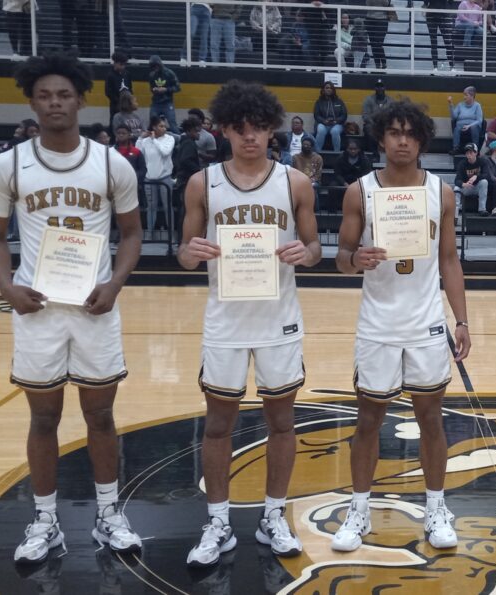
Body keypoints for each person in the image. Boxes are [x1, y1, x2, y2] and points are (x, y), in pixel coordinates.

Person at [0, 53, 144, 564]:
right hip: (38, 306)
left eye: (64, 94)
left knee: (100, 415)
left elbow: (133, 232)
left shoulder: (110, 162)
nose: (55, 102)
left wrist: (116, 283)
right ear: (31, 100)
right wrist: (7, 287)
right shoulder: (6, 165)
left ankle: (108, 514)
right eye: (45, 95)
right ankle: (46, 520)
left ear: (81, 99)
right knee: (43, 418)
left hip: (95, 303)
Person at [177, 80, 320, 567]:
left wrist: (306, 252)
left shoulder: (294, 182)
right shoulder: (203, 183)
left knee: (281, 422)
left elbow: (315, 248)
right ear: (225, 130)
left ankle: (273, 515)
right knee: (218, 425)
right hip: (225, 320)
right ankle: (218, 520)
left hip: (279, 318)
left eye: (258, 127)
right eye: (240, 129)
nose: (250, 137)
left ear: (271, 128)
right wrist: (190, 253)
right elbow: (182, 252)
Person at [332, 99, 471, 553]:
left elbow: (449, 259)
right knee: (368, 419)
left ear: (423, 140)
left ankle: (436, 507)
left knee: (431, 418)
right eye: (394, 132)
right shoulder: (360, 191)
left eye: (411, 133)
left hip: (427, 322)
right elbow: (340, 260)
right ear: (381, 138)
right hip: (377, 323)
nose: (403, 140)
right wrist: (358, 258)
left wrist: (462, 320)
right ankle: (358, 509)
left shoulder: (441, 192)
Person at [137, 115, 175, 236]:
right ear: (154, 127)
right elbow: (138, 153)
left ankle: (171, 234)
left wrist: (154, 140)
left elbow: (165, 152)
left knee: (167, 206)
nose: (164, 128)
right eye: (161, 126)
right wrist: (140, 138)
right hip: (149, 178)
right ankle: (149, 232)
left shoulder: (169, 139)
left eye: (164, 126)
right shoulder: (145, 141)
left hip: (165, 177)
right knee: (150, 207)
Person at [332, 139, 373, 211]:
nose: (353, 151)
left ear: (359, 149)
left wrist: (357, 184)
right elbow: (337, 174)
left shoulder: (365, 160)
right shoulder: (340, 158)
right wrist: (344, 183)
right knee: (333, 186)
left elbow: (366, 174)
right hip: (344, 181)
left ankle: (364, 210)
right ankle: (333, 210)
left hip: (358, 181)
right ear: (347, 149)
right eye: (350, 149)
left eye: (355, 149)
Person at [453, 142, 490, 216]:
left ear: (476, 153)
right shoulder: (462, 164)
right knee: (456, 188)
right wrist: (463, 184)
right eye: (467, 153)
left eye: (471, 152)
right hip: (467, 187)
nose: (469, 155)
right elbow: (456, 180)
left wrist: (476, 177)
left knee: (484, 182)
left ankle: (482, 209)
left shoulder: (482, 161)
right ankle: (455, 215)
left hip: (477, 187)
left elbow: (487, 175)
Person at [146, 55, 181, 132]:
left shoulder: (169, 73)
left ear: (160, 65)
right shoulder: (152, 75)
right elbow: (151, 88)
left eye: (156, 66)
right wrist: (154, 90)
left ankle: (179, 140)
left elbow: (178, 87)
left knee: (172, 124)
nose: (155, 68)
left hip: (167, 102)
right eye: (153, 67)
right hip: (156, 103)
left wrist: (166, 89)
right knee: (152, 124)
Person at [313, 81, 347, 153]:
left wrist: (336, 121)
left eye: (331, 88)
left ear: (333, 90)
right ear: (323, 90)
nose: (329, 89)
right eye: (327, 88)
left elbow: (344, 115)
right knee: (321, 130)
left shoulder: (339, 101)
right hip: (323, 123)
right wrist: (323, 121)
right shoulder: (319, 102)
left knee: (335, 131)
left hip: (337, 124)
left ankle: (336, 153)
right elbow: (316, 115)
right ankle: (317, 153)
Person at [362, 79, 393, 157]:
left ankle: (390, 153)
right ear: (375, 88)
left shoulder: (391, 101)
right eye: (378, 87)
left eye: (381, 87)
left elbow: (393, 116)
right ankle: (374, 153)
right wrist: (375, 124)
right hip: (372, 124)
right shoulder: (368, 99)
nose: (379, 89)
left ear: (385, 88)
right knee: (369, 128)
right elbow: (365, 116)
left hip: (386, 125)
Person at [448, 86, 484, 154]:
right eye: (464, 95)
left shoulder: (477, 106)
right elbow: (454, 117)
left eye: (466, 95)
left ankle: (475, 148)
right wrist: (450, 104)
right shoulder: (460, 105)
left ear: (472, 96)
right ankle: (456, 148)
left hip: (473, 125)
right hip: (460, 125)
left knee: (474, 128)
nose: (464, 97)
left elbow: (479, 120)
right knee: (457, 128)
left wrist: (469, 126)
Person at [424, 0, 456, 72]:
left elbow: (451, 2)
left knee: (447, 41)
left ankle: (452, 67)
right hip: (431, 16)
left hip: (444, 16)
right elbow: (426, 2)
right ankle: (435, 67)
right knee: (433, 42)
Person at [292, 136, 324, 209]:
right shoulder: (295, 157)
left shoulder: (318, 158)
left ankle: (316, 210)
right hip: (298, 181)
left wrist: (309, 182)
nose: (305, 146)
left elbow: (318, 175)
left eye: (308, 145)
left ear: (312, 147)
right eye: (304, 145)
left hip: (314, 181)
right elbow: (293, 172)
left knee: (312, 188)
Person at [104, 52, 132, 123]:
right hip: (115, 104)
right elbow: (108, 92)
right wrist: (118, 101)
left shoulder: (127, 74)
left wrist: (129, 100)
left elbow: (130, 88)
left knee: (126, 122)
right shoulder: (110, 75)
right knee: (114, 121)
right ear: (115, 63)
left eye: (124, 65)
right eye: (121, 64)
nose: (123, 67)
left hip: (126, 104)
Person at [366, 0, 392, 69]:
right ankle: (377, 64)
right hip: (370, 19)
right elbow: (368, 3)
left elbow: (386, 3)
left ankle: (383, 62)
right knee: (373, 43)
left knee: (378, 43)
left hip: (382, 20)